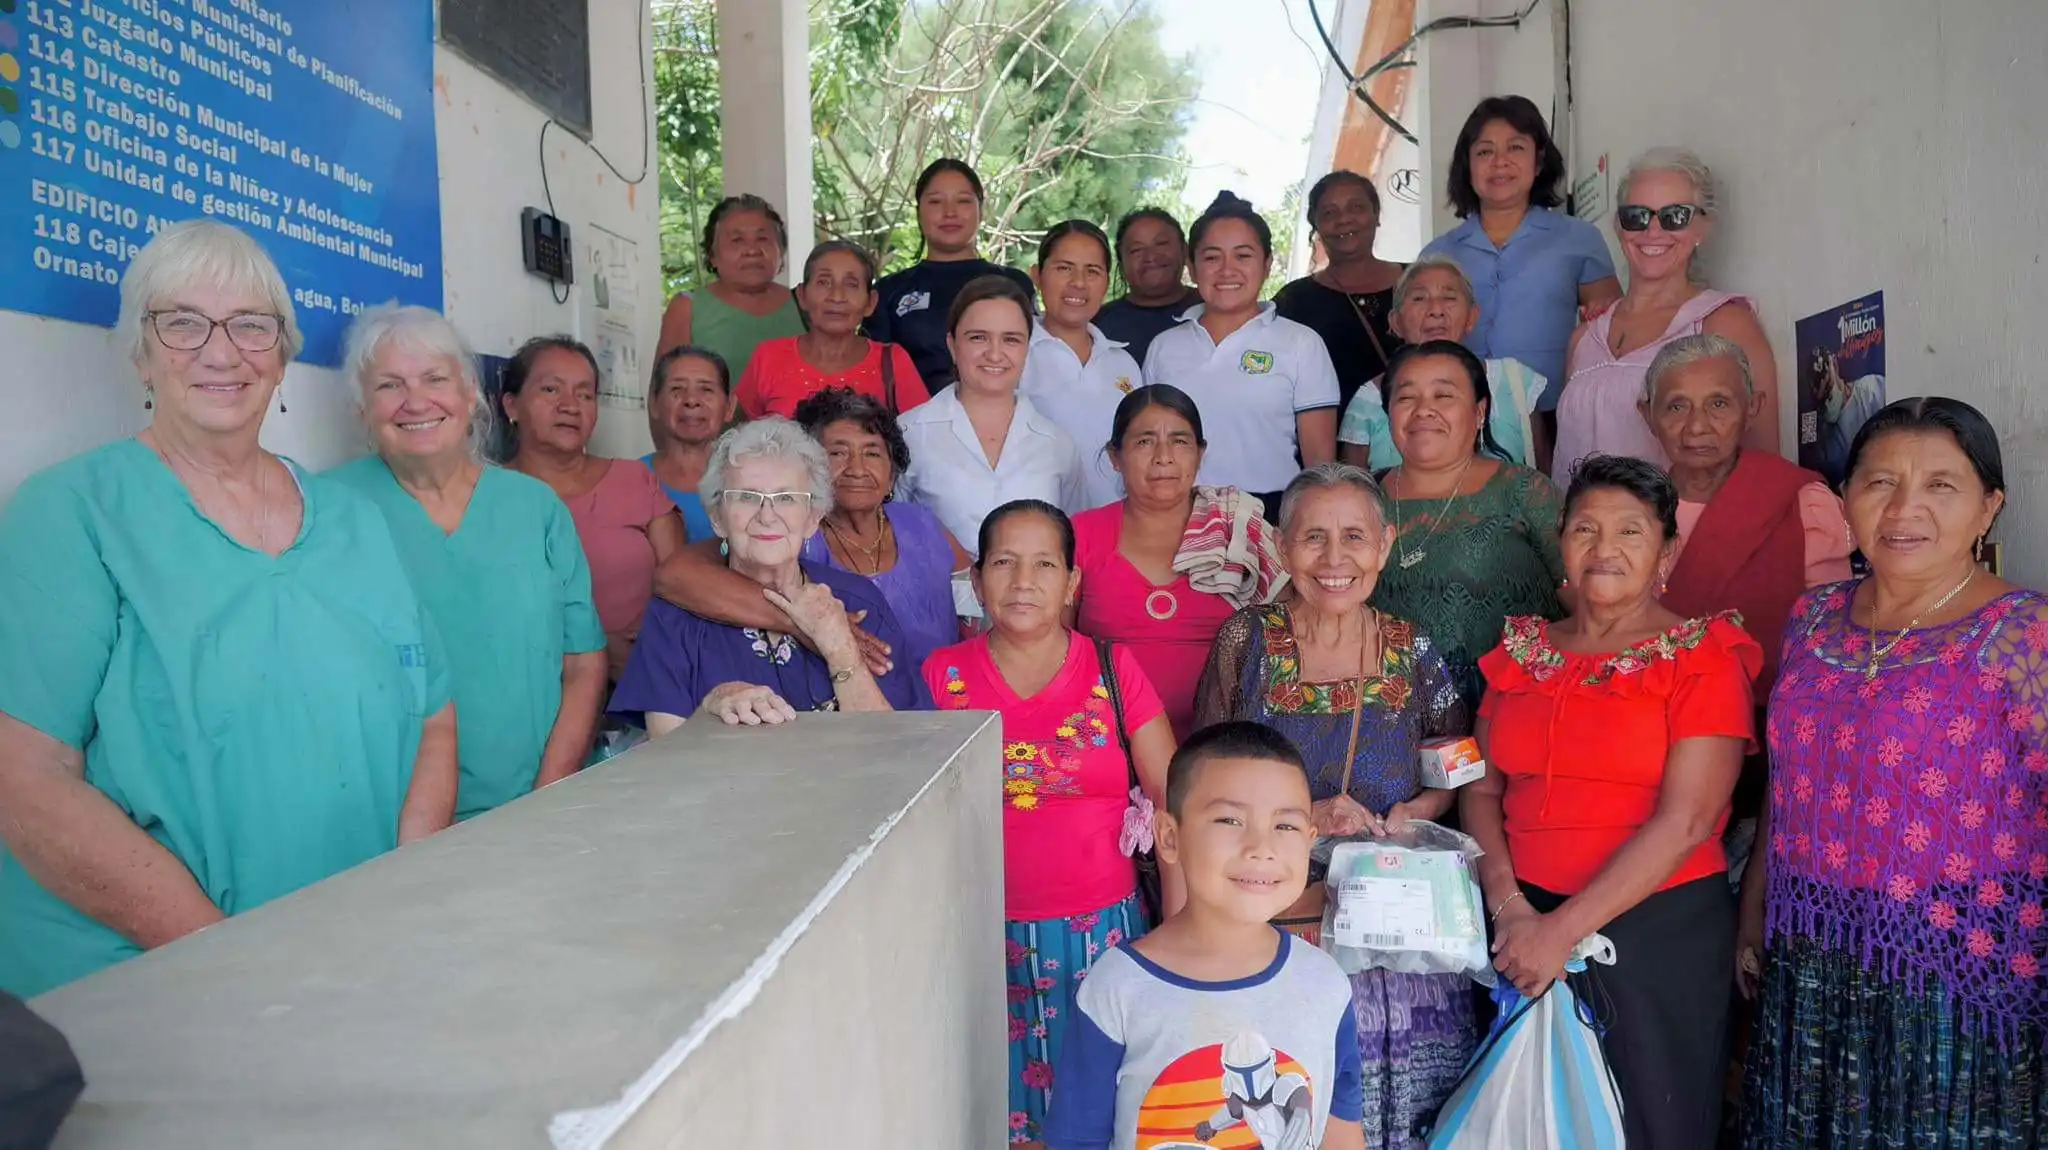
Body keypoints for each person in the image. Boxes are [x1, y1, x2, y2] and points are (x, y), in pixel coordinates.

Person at [0, 221, 456, 996]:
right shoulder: (70, 514)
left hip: (355, 956)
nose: (221, 352)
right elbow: (26, 780)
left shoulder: (353, 520)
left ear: (282, 354)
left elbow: (432, 717)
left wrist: (397, 898)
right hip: (151, 985)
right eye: (181, 323)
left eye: (252, 325)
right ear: (140, 352)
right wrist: (234, 961)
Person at [1740, 398, 2046, 1148]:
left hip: (1956, 966)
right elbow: (1788, 780)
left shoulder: (2025, 635)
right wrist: (1755, 910)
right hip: (1813, 949)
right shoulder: (1812, 619)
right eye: (1879, 482)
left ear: (1989, 507)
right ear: (1845, 501)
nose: (1905, 508)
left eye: (1941, 485)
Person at [1466, 454, 1761, 1150]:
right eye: (1587, 529)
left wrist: (1560, 931)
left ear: (1667, 549)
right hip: (1519, 921)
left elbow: (1687, 821)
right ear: (1561, 540)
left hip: (1655, 927)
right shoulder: (1522, 650)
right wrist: (1510, 908)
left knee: (1649, 1122)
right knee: (1528, 1120)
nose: (1605, 549)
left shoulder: (1701, 654)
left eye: (1631, 531)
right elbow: (1480, 788)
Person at [1193, 463, 1476, 1147]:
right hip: (1280, 922)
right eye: (1313, 538)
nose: (1334, 558)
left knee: (1394, 1106)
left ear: (1383, 545)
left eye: (1354, 537)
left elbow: (1459, 760)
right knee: (1286, 1105)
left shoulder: (1410, 648)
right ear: (1283, 548)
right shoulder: (1248, 640)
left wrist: (1414, 812)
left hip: (1393, 935)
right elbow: (1204, 772)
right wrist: (1299, 817)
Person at [922, 500, 1176, 1149]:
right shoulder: (939, 679)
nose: (1023, 580)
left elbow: (1172, 802)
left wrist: (1179, 934)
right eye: (1004, 562)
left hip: (1101, 942)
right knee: (988, 1112)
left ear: (1072, 582)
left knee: (1100, 1111)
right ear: (976, 580)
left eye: (1044, 564)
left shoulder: (1113, 670)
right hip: (978, 944)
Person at [329, 305, 609, 822]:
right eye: (389, 386)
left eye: (435, 378)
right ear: (361, 410)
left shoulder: (535, 506)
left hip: (541, 804)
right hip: (394, 827)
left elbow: (583, 662)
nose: (415, 401)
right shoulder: (328, 512)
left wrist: (548, 799)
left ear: (470, 396)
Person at [1043, 722, 1367, 1150]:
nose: (1260, 847)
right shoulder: (1117, 990)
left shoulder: (1325, 985)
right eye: (1230, 820)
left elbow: (1340, 1132)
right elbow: (1076, 1140)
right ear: (1169, 837)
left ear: (1310, 841)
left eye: (1284, 826)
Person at [1644, 335, 1852, 839]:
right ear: (1646, 413)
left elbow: (1827, 650)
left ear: (1752, 408)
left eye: (1719, 403)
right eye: (1676, 406)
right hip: (1638, 757)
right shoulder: (1626, 508)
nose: (1697, 427)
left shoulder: (1800, 504)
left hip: (1763, 761)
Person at [610, 418, 928, 732]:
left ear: (813, 518)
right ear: (717, 518)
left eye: (786, 498)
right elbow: (663, 755)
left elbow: (897, 746)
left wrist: (841, 652)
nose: (767, 516)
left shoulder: (858, 602)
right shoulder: (675, 616)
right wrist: (710, 706)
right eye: (747, 497)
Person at [1553, 147, 1780, 486]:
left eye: (1675, 216)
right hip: (1581, 534)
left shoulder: (1723, 323)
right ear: (1618, 227)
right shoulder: (1583, 338)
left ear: (1702, 228)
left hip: (1679, 535)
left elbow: (1763, 465)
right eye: (1637, 216)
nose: (1653, 231)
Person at [1071, 385, 1285, 741]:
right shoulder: (1081, 535)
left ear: (1200, 454)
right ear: (1115, 456)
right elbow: (1053, 648)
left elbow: (1291, 636)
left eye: (1180, 441)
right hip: (1105, 746)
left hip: (1225, 747)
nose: (1164, 456)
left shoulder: (1236, 529)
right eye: (1144, 441)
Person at [1419, 95, 1621, 470]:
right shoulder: (1438, 254)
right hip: (1460, 417)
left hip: (1555, 416)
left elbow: (1612, 334)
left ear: (1539, 160)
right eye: (1484, 152)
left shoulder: (1579, 238)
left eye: (1515, 147)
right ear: (1467, 165)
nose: (1500, 162)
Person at [1367, 341, 1566, 707]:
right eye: (1406, 398)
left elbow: (1580, 596)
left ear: (1479, 412)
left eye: (1444, 395)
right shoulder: (1362, 498)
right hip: (1395, 709)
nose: (1424, 410)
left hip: (1514, 702)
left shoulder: (1523, 490)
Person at [1144, 193, 1341, 521]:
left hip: (1273, 517)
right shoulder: (1164, 347)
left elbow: (1320, 467)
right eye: (1211, 258)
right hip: (1179, 517)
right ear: (1191, 267)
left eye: (1243, 256)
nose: (1227, 270)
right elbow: (1146, 443)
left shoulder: (1301, 344)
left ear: (1266, 265)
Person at [503, 335, 683, 680]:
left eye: (585, 394)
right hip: (530, 685)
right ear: (511, 405)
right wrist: (589, 647)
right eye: (551, 390)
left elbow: (680, 584)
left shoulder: (635, 480)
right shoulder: (484, 496)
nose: (570, 405)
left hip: (643, 677)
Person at [898, 275, 1088, 557]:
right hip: (935, 600)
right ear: (952, 345)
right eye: (978, 337)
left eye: (1011, 339)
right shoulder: (909, 433)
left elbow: (1073, 545)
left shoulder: (1057, 444)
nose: (995, 354)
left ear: (1027, 348)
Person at [793, 387, 971, 674]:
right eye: (837, 452)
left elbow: (975, 608)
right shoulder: (795, 537)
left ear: (892, 475)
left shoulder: (922, 524)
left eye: (872, 453)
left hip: (941, 696)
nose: (857, 469)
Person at [1338, 255, 1550, 469]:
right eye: (1419, 298)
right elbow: (1352, 494)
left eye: (1449, 298)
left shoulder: (1515, 381)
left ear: (1471, 317)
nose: (1436, 310)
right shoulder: (1368, 401)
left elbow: (1544, 479)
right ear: (1396, 322)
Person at [866, 159, 1037, 390]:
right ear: (918, 212)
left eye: (963, 201)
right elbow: (872, 376)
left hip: (1002, 421)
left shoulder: (1015, 285)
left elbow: (1038, 365)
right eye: (936, 202)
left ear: (982, 210)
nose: (949, 212)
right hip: (908, 423)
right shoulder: (889, 292)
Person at [1020, 220, 1146, 508]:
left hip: (1114, 530)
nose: (1078, 282)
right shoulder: (1014, 354)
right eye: (1064, 268)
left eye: (1092, 271)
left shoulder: (1122, 362)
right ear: (1037, 276)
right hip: (1038, 532)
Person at [736, 240, 930, 419]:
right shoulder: (768, 357)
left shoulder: (893, 361)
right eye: (824, 282)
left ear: (870, 302)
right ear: (802, 295)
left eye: (851, 285)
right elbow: (739, 439)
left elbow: (924, 440)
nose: (837, 296)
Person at [1274, 171, 1406, 417]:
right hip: (1325, 443)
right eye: (1329, 213)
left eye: (1356, 207)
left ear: (1376, 214)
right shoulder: (1293, 301)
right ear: (1316, 225)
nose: (1344, 219)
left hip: (1416, 437)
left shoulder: (1418, 282)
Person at [654, 194, 805, 379]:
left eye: (762, 239)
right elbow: (663, 396)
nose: (752, 250)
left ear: (781, 252)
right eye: (737, 240)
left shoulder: (806, 305)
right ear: (712, 255)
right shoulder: (688, 308)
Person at [641, 345, 737, 541]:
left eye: (706, 390)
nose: (692, 400)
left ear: (729, 407)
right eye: (677, 389)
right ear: (654, 404)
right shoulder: (633, 479)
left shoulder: (750, 481)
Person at [1095, 208, 1203, 362]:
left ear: (1184, 250)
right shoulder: (1097, 326)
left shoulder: (1213, 309)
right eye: (1136, 250)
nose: (1150, 257)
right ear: (1121, 263)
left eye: (1162, 244)